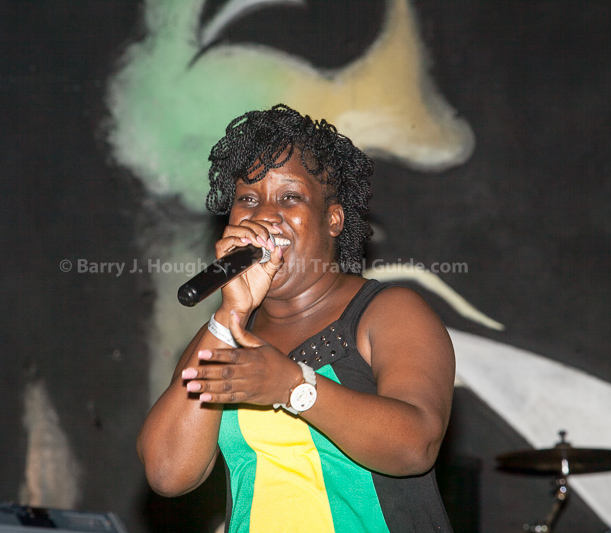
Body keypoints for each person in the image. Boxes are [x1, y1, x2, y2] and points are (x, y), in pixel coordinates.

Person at [137, 104, 455, 532]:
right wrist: (230, 314)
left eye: (290, 197)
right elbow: (167, 472)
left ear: (333, 219)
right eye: (248, 199)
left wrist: (294, 387)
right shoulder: (224, 334)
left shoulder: (388, 311)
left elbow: (417, 445)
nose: (264, 215)